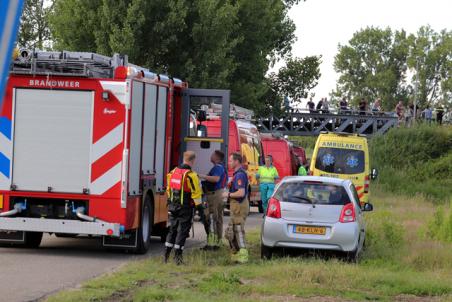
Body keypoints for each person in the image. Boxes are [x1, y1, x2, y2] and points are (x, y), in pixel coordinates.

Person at [164, 151, 203, 265]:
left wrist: (170, 203)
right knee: (182, 232)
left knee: (172, 230)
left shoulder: (172, 173)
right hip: (185, 208)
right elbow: (196, 194)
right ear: (192, 161)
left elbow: (168, 189)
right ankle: (178, 258)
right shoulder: (191, 175)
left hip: (173, 206)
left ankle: (166, 256)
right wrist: (200, 210)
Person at [222, 153, 249, 263]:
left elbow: (241, 192)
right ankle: (236, 253)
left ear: (237, 161)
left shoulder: (240, 175)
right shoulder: (237, 174)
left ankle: (243, 254)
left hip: (239, 205)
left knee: (238, 230)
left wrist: (227, 195)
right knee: (231, 231)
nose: (229, 162)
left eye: (231, 160)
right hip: (236, 206)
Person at [199, 150, 228, 250]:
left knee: (212, 218)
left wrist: (202, 176)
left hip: (215, 195)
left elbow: (215, 179)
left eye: (212, 154)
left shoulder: (218, 167)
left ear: (216, 157)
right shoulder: (220, 167)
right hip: (218, 194)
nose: (210, 156)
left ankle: (212, 244)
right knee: (218, 219)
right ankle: (217, 243)